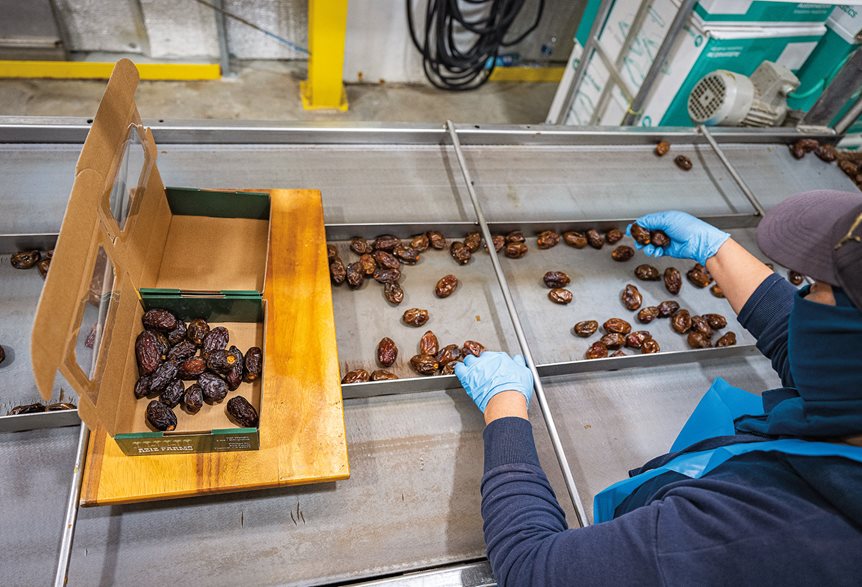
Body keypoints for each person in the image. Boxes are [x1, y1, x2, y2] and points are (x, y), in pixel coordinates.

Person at [454, 190, 862, 586]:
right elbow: (816, 355)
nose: (802, 295)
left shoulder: (755, 533)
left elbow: (530, 567)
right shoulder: (848, 405)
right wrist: (717, 251)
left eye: (816, 289)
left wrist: (503, 405)